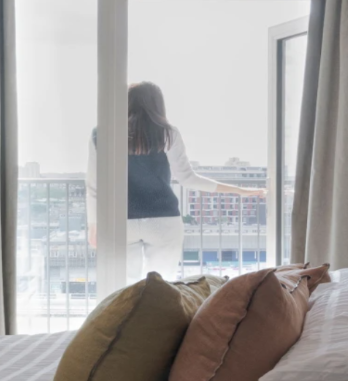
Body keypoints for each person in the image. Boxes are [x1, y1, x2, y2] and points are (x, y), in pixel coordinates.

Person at [87, 82, 266, 283]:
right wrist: (240, 191)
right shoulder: (167, 133)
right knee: (163, 286)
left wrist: (94, 224)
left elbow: (95, 185)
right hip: (163, 221)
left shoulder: (101, 133)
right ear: (157, 104)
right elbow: (187, 178)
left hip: (121, 221)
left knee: (123, 286)